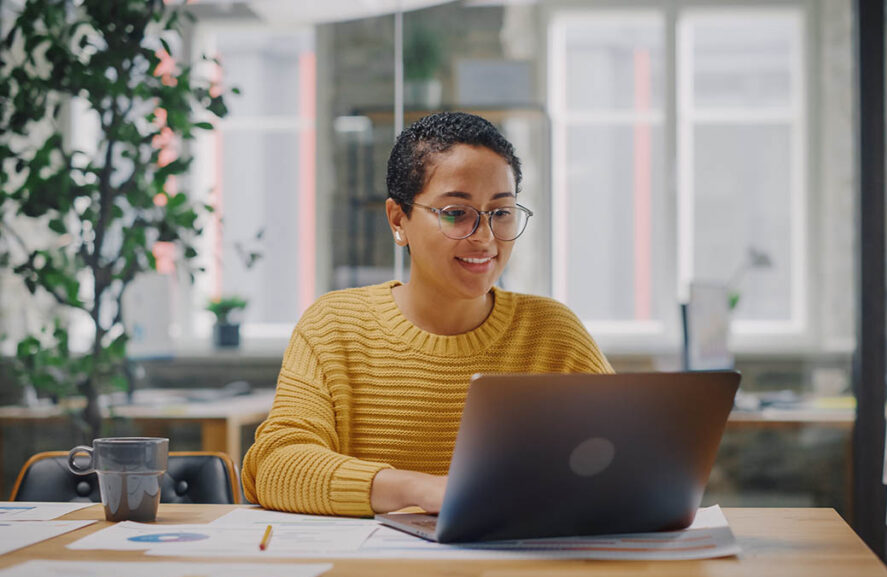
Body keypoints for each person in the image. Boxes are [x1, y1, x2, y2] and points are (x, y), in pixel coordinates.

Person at [241, 112, 612, 516]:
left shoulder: (552, 332)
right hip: (377, 576)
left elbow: (628, 458)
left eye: (501, 213)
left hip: (519, 569)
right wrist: (421, 490)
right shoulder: (334, 327)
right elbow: (276, 465)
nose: (485, 238)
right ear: (399, 220)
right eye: (456, 212)